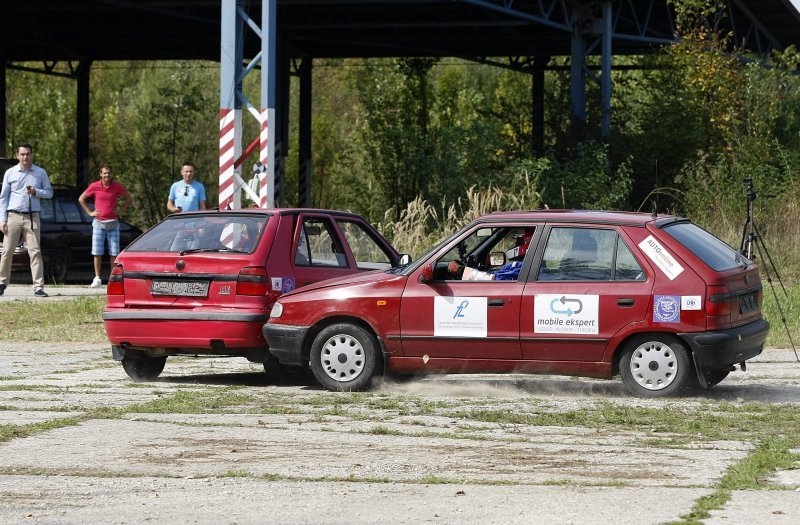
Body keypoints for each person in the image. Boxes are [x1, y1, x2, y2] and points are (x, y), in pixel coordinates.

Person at [0, 144, 54, 297]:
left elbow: (49, 193)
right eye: (22, 154)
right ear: (17, 155)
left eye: (27, 154)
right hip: (13, 216)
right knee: (7, 251)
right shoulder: (10, 173)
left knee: (35, 251)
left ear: (32, 155)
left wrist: (36, 192)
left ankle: (38, 287)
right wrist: (2, 219)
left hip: (32, 216)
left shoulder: (40, 172)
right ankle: (2, 283)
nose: (25, 157)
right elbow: (3, 197)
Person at [78, 165, 132, 287]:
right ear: (100, 174)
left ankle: (113, 278)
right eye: (105, 173)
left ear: (112, 174)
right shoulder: (95, 186)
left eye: (109, 173)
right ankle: (97, 277)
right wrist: (90, 212)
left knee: (114, 252)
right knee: (97, 251)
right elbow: (81, 199)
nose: (107, 175)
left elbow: (128, 198)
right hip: (98, 223)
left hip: (113, 223)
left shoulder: (116, 186)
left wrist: (121, 211)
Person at [447, 228, 534, 281]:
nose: (514, 245)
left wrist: (460, 270)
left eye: (517, 241)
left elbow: (493, 278)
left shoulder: (525, 269)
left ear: (527, 242)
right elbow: (498, 272)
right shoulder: (529, 266)